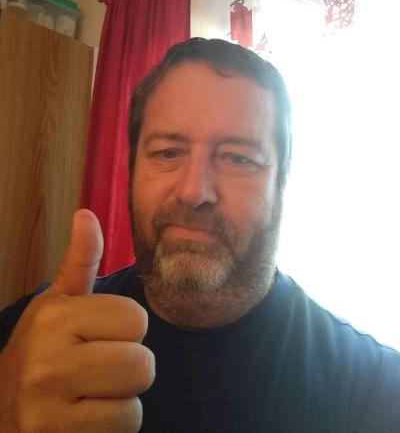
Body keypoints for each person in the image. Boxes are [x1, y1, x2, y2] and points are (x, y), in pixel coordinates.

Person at [0, 38, 399, 433]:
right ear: (132, 171)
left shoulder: (375, 388)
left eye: (238, 158)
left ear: (280, 186)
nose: (194, 192)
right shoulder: (29, 342)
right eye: (168, 152)